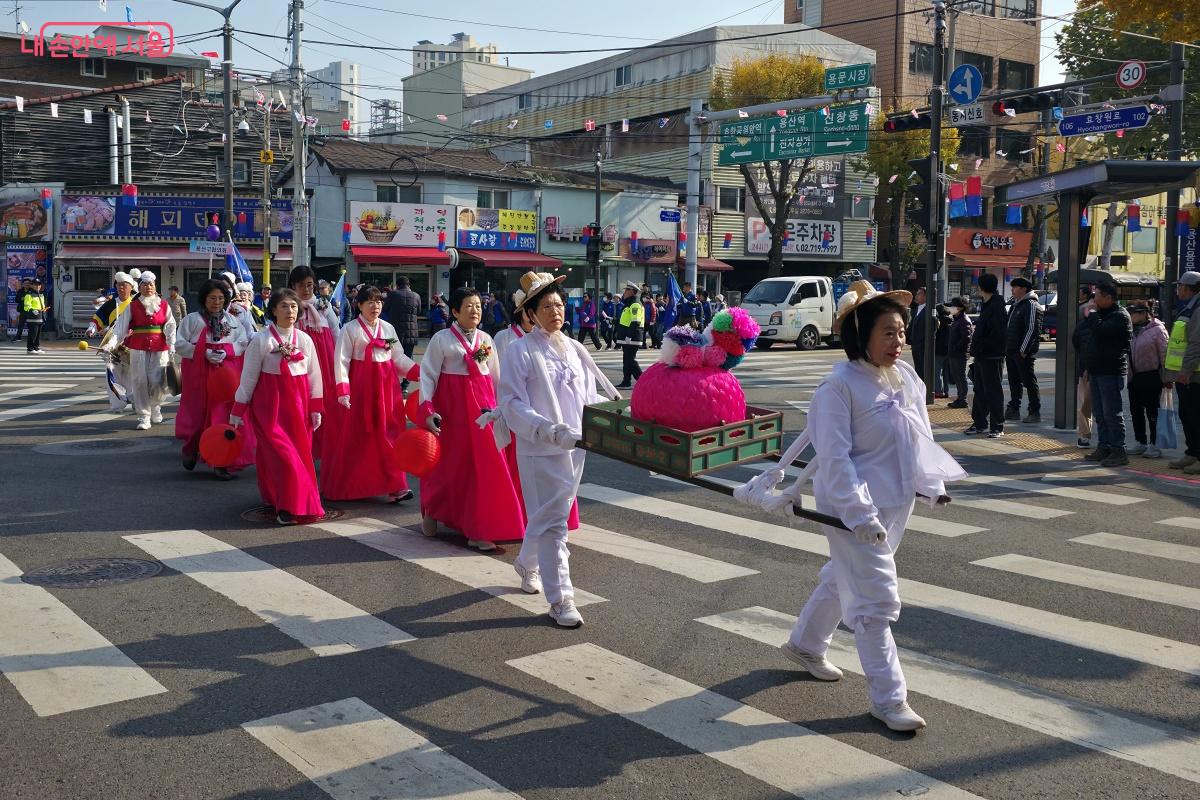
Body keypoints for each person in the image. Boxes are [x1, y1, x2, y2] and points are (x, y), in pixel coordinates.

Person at [744, 280, 963, 732]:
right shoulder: (838, 387)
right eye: (888, 332)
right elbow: (835, 458)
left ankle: (805, 643)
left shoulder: (905, 378)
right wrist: (859, 515)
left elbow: (919, 436)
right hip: (853, 509)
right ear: (860, 335)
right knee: (874, 600)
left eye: (901, 332)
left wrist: (931, 484)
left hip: (895, 501)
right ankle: (889, 698)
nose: (898, 341)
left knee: (841, 576)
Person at [501, 273, 620, 627]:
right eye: (546, 305)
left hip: (576, 447)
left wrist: (616, 412)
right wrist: (547, 429)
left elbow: (587, 396)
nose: (555, 310)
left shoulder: (575, 347)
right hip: (540, 449)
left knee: (549, 515)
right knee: (555, 525)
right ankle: (561, 599)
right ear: (530, 313)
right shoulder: (519, 351)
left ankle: (526, 561)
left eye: (558, 304)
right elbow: (509, 403)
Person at [417, 287, 525, 551]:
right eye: (468, 306)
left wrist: (503, 409)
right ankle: (433, 510)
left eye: (478, 305)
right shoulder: (442, 339)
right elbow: (428, 376)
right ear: (454, 311)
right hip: (452, 412)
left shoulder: (486, 339)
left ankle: (478, 528)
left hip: (482, 412)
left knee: (484, 468)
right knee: (450, 467)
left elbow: (497, 378)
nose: (475, 310)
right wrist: (429, 411)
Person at [230, 289, 325, 525]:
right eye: (284, 306)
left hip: (299, 408)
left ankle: (283, 499)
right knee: (282, 457)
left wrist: (316, 408)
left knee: (299, 457)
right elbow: (249, 378)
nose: (290, 311)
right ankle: (289, 505)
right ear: (273, 310)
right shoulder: (261, 340)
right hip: (269, 409)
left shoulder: (305, 340)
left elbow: (315, 376)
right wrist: (237, 410)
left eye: (293, 306)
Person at [320, 286, 419, 504]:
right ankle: (346, 486)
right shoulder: (350, 329)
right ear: (360, 305)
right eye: (370, 302)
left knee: (390, 435)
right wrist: (343, 390)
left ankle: (396, 486)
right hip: (360, 390)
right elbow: (342, 361)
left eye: (379, 302)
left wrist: (417, 372)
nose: (376, 306)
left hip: (387, 390)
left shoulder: (387, 328)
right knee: (356, 439)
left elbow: (398, 358)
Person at [175, 279, 253, 480]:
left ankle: (221, 460)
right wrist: (203, 353)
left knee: (222, 414)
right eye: (212, 298)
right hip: (198, 372)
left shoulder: (233, 321)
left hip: (225, 373)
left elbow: (242, 341)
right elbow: (180, 344)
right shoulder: (192, 320)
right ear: (204, 299)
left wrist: (226, 351)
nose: (216, 302)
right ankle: (191, 447)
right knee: (197, 413)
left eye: (220, 298)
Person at [101, 271, 176, 430]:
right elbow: (119, 329)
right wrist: (110, 345)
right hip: (138, 348)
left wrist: (172, 344)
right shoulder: (132, 306)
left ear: (155, 287)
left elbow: (170, 326)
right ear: (139, 287)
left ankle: (156, 406)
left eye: (151, 285)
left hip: (160, 347)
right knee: (140, 381)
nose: (148, 287)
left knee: (158, 381)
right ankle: (144, 416)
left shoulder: (164, 305)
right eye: (145, 285)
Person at [1073, 282, 1133, 467]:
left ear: (1108, 297)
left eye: (1097, 295)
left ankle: (1118, 450)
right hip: (1096, 370)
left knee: (1112, 413)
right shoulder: (1101, 314)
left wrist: (1091, 313)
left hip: (1111, 371)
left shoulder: (1120, 316)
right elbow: (1085, 339)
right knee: (1099, 412)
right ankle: (1104, 446)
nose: (1093, 299)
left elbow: (1100, 331)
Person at [289, 265, 343, 461]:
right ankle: (303, 449)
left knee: (326, 403)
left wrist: (340, 360)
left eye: (309, 285)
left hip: (325, 361)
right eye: (301, 285)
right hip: (299, 361)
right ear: (293, 286)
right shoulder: (289, 307)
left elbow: (336, 332)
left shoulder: (324, 305)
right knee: (301, 403)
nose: (306, 289)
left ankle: (326, 450)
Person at [1163, 271, 1200, 473]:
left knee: (1195, 415)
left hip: (1194, 374)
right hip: (1186, 375)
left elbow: (1196, 343)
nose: (1177, 289)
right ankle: (1192, 453)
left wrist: (1186, 370)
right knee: (1187, 414)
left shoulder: (1197, 308)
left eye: (1179, 286)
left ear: (1187, 288)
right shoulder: (1189, 307)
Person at [965, 274, 1006, 438]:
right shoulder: (986, 304)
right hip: (982, 356)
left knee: (993, 391)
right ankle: (980, 423)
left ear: (982, 287)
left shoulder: (996, 306)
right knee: (980, 390)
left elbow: (997, 333)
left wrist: (980, 347)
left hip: (992, 356)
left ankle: (997, 426)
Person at [1126, 301, 1168, 459]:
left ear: (1144, 313)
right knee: (1135, 410)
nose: (1131, 316)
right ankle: (1140, 441)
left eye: (1133, 313)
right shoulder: (1130, 330)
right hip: (1134, 377)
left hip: (1151, 376)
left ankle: (1155, 444)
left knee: (1152, 411)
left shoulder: (1157, 330)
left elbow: (1164, 354)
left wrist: (1166, 377)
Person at [1005, 277, 1044, 423]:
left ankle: (1034, 411)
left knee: (1028, 381)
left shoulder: (1031, 305)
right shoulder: (1016, 305)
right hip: (1011, 350)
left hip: (1023, 352)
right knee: (1014, 381)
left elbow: (1032, 329)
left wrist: (1023, 350)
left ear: (1024, 289)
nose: (1012, 290)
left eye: (1015, 287)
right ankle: (1014, 408)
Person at [1076, 287, 1097, 448]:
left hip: (1104, 371)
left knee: (1104, 407)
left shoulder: (1111, 320)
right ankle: (1084, 435)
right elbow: (1076, 343)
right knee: (1085, 404)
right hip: (1085, 369)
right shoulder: (1083, 326)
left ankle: (1108, 440)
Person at [613, 282, 644, 389]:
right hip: (628, 337)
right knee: (627, 361)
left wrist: (629, 336)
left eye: (626, 290)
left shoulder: (635, 304)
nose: (624, 293)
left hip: (632, 338)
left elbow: (636, 322)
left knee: (630, 361)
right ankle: (626, 381)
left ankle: (643, 381)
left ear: (631, 292)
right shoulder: (629, 303)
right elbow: (626, 320)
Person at [382, 275, 421, 360]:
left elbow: (385, 308)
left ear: (397, 285)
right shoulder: (416, 296)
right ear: (408, 285)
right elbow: (418, 312)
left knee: (392, 357)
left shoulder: (393, 294)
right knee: (408, 359)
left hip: (394, 331)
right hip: (411, 332)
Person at [946, 297, 972, 408]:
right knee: (956, 377)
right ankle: (960, 398)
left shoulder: (964, 320)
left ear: (960, 308)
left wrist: (956, 348)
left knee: (960, 377)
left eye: (953, 306)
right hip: (954, 353)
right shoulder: (956, 319)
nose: (950, 308)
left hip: (959, 354)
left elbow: (966, 338)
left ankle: (963, 399)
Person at [908, 287, 928, 383]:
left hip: (923, 345)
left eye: (919, 294)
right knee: (918, 369)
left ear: (925, 296)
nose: (916, 296)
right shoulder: (916, 309)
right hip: (915, 344)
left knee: (924, 370)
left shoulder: (929, 310)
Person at [21, 279, 46, 354]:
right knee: (33, 334)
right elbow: (26, 307)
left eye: (39, 284)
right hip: (32, 318)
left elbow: (42, 305)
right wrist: (32, 310)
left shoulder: (41, 295)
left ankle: (36, 347)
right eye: (35, 284)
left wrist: (44, 309)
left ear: (40, 286)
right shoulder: (29, 295)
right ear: (32, 285)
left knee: (38, 334)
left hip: (40, 317)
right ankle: (30, 349)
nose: (37, 286)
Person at [933, 303, 951, 399]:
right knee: (945, 372)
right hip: (948, 350)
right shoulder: (950, 320)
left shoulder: (938, 321)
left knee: (937, 372)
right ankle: (946, 391)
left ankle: (939, 391)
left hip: (939, 350)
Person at [9, 277, 32, 343]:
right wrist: (23, 299)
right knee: (20, 325)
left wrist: (25, 299)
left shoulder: (32, 291)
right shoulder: (20, 291)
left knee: (31, 325)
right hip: (22, 311)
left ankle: (31, 338)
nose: (27, 284)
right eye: (25, 283)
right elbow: (17, 300)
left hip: (30, 311)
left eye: (28, 283)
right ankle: (18, 337)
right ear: (23, 284)